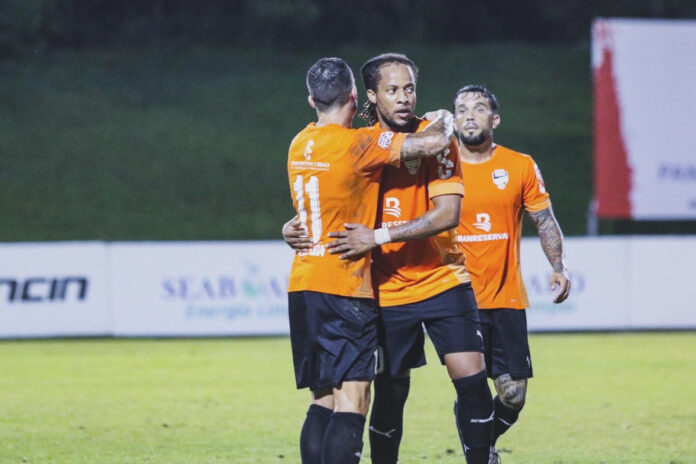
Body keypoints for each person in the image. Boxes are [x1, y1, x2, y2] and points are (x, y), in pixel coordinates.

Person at [285, 54, 494, 464]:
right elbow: (329, 201)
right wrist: (290, 226)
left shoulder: (422, 137)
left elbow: (448, 214)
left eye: (410, 88)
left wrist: (376, 235)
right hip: (382, 288)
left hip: (441, 278)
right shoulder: (362, 142)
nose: (403, 98)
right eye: (392, 90)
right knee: (388, 392)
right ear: (369, 96)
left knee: (472, 382)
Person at [452, 85, 571, 463]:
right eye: (462, 109)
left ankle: (480, 440)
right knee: (471, 390)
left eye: (479, 108)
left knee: (513, 395)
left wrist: (557, 266)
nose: (469, 115)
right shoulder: (438, 167)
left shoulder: (519, 165)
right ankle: (480, 453)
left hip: (506, 299)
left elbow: (545, 219)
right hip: (458, 299)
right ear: (454, 119)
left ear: (495, 119)